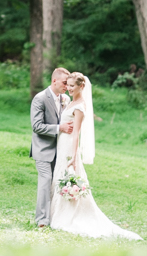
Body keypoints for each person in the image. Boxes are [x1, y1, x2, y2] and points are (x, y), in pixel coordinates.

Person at [50, 72, 142, 240]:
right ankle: (55, 213)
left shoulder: (80, 106)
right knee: (58, 177)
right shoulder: (71, 102)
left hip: (69, 147)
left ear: (81, 87)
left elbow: (76, 133)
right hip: (62, 144)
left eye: (72, 86)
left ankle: (67, 216)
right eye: (68, 85)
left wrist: (73, 156)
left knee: (68, 176)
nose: (69, 88)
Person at [30, 67, 73, 228]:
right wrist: (58, 128)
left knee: (57, 183)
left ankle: (55, 217)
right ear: (54, 81)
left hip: (61, 150)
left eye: (69, 84)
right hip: (42, 150)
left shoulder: (66, 100)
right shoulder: (40, 98)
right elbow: (36, 126)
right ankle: (42, 220)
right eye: (64, 83)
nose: (67, 87)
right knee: (45, 180)